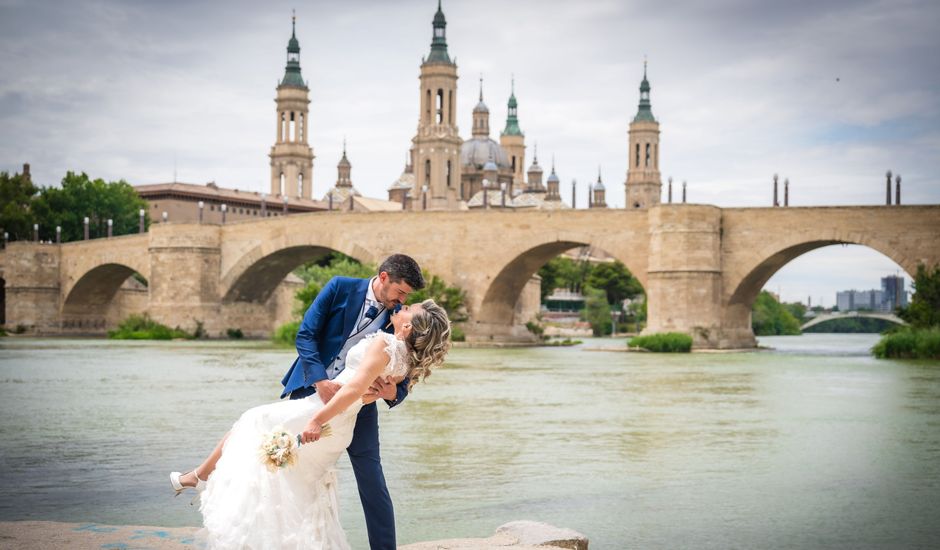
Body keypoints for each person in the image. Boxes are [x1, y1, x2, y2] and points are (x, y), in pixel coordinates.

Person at [170, 298, 451, 549]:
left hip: (323, 412)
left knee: (253, 422)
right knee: (295, 479)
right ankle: (279, 534)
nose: (402, 306)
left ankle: (225, 507)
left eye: (409, 310)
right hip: (341, 424)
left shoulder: (385, 344)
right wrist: (368, 395)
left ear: (407, 329)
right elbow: (364, 393)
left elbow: (354, 390)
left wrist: (316, 420)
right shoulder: (405, 361)